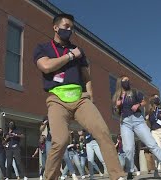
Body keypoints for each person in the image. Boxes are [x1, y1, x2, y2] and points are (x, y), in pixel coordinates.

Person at [33, 13, 125, 180]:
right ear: (55, 27)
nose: (69, 30)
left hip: (80, 99)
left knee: (103, 132)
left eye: (71, 28)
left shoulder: (78, 50)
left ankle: (118, 176)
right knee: (60, 141)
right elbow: (45, 66)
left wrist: (90, 95)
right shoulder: (43, 48)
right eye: (66, 26)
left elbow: (86, 76)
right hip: (57, 99)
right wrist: (70, 56)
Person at [113, 76, 161, 180]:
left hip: (138, 120)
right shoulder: (117, 96)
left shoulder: (134, 91)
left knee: (152, 144)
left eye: (128, 80)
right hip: (125, 122)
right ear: (120, 82)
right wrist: (117, 106)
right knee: (128, 148)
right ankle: (130, 171)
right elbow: (116, 111)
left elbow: (144, 102)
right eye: (124, 80)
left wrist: (138, 105)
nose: (127, 81)